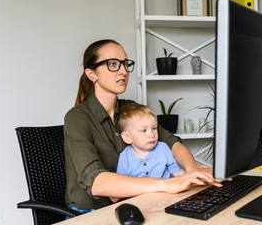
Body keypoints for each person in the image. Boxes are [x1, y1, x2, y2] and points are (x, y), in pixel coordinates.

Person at [64, 39, 222, 213]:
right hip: (91, 213)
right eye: (113, 64)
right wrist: (166, 184)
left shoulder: (130, 109)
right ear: (91, 74)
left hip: (136, 203)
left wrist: (192, 169)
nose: (123, 71)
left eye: (125, 64)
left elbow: (171, 142)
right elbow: (96, 182)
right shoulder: (77, 118)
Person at [116, 104, 186, 178]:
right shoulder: (125, 157)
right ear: (128, 137)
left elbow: (177, 172)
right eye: (144, 130)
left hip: (163, 189)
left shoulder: (163, 149)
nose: (152, 135)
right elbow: (122, 182)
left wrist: (192, 174)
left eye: (154, 128)